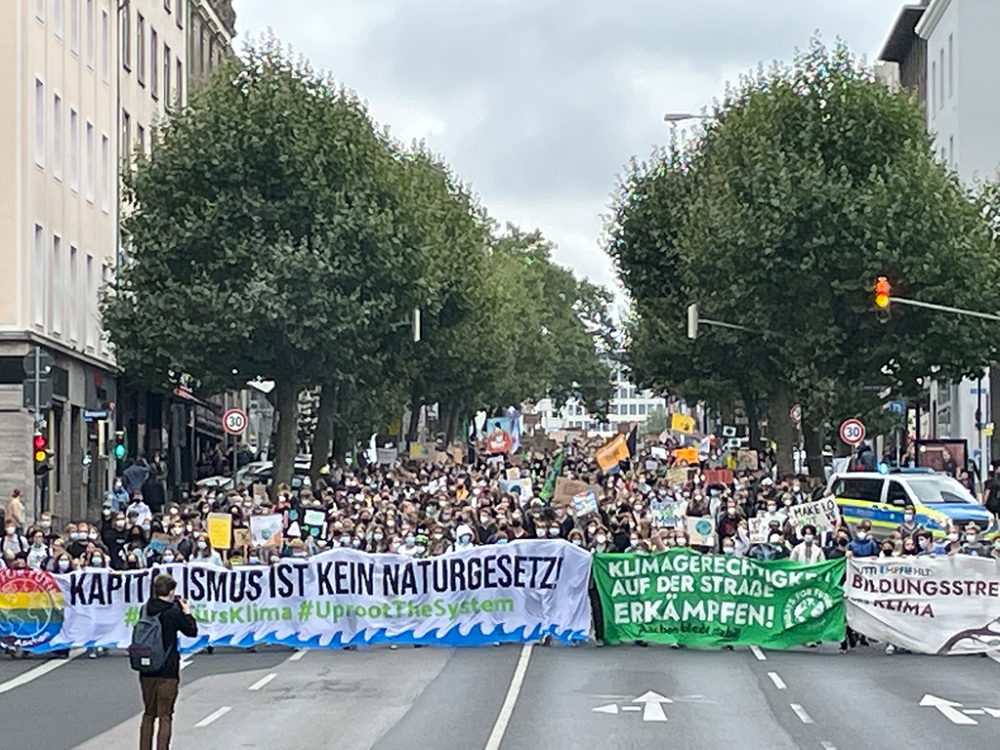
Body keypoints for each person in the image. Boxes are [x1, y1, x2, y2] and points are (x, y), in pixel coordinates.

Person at [138, 573, 198, 750]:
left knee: (149, 713)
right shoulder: (173, 611)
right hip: (168, 668)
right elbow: (191, 631)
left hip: (146, 667)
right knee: (165, 715)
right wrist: (186, 612)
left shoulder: (146, 608)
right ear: (171, 591)